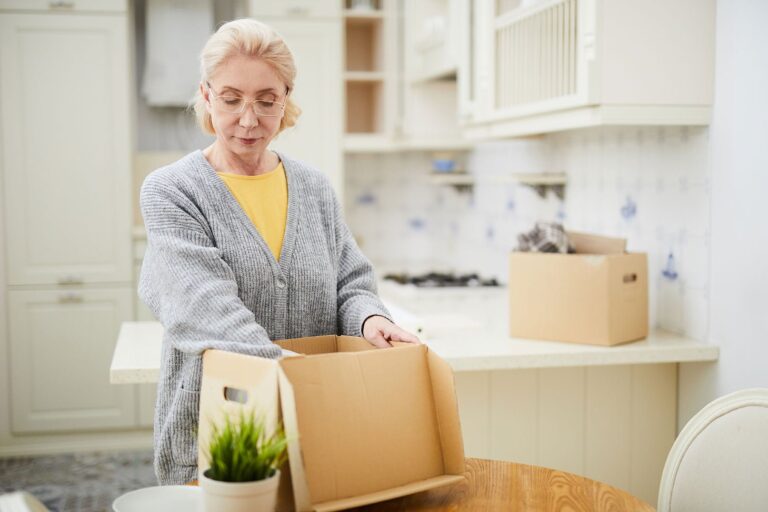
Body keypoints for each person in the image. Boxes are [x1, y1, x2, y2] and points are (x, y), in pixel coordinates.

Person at [138, 18, 419, 486]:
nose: (249, 120)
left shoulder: (313, 187)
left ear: (285, 99)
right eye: (231, 99)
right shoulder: (172, 191)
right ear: (206, 95)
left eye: (266, 101)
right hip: (221, 430)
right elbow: (206, 311)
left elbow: (350, 283)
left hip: (315, 428)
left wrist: (372, 320)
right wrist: (308, 383)